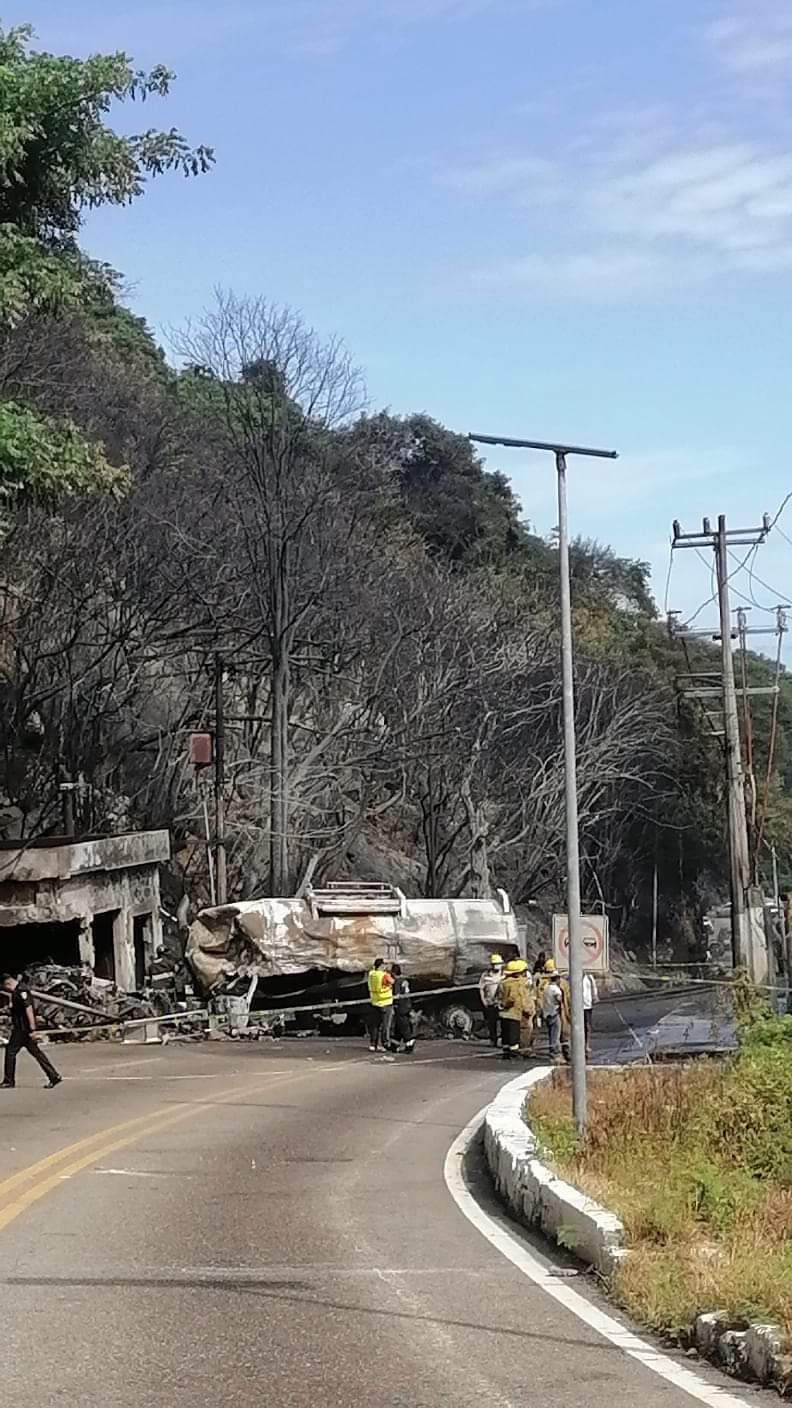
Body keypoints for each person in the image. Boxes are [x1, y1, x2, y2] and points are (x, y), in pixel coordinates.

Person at [1, 974, 61, 1089]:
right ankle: (53, 1076)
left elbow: (28, 1009)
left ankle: (9, 1080)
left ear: (7, 983)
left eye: (5, 987)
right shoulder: (17, 992)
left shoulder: (21, 991)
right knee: (37, 1053)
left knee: (10, 1052)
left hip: (22, 1029)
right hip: (23, 1029)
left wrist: (33, 1029)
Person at [497, 959, 531, 1060]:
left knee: (505, 1033)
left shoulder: (503, 982)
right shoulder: (517, 983)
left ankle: (506, 1052)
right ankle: (514, 1053)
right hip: (513, 1013)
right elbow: (513, 997)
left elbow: (499, 996)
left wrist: (502, 1005)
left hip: (503, 1013)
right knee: (513, 1034)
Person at [366, 957, 394, 1053]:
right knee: (385, 1025)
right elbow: (392, 981)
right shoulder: (384, 975)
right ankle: (385, 1044)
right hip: (385, 1002)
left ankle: (373, 1044)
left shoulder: (371, 974)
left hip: (374, 1002)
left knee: (375, 1025)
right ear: (381, 966)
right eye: (384, 965)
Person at [478, 953, 504, 1045]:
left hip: (501, 1003)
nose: (496, 966)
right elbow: (481, 988)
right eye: (495, 964)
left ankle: (502, 1039)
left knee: (502, 1023)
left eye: (498, 964)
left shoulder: (504, 974)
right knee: (491, 1023)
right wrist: (483, 1000)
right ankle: (493, 1039)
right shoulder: (485, 975)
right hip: (490, 1002)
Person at [542, 964, 565, 1065]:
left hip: (547, 1013)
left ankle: (552, 1052)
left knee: (551, 1034)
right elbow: (559, 999)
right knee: (555, 1035)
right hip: (554, 1013)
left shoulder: (546, 987)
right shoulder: (555, 989)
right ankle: (555, 1054)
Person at [390, 964, 415, 1053]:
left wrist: (393, 1005)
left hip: (400, 1007)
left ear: (393, 973)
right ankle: (394, 1044)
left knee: (403, 1026)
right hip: (407, 1005)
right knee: (399, 1026)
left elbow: (396, 996)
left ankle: (409, 1044)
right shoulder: (404, 981)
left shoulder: (397, 982)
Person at [582, 971, 598, 1059]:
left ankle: (586, 1045)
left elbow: (594, 987)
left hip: (588, 1005)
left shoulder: (589, 977)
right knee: (579, 1027)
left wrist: (595, 996)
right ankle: (579, 1045)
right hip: (578, 1006)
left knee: (587, 1026)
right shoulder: (573, 976)